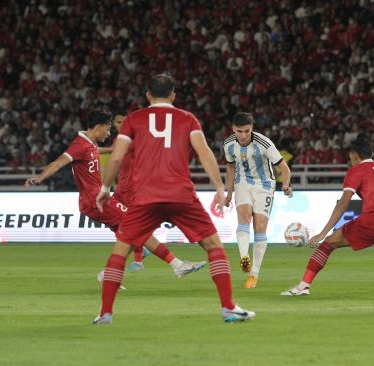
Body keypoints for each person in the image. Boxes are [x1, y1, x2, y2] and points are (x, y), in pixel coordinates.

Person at [94, 74, 255, 324]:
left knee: (121, 250)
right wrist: (219, 188)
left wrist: (105, 187)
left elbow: (116, 157)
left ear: (148, 95)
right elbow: (204, 154)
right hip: (181, 195)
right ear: (173, 95)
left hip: (145, 196)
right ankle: (228, 307)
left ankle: (105, 313)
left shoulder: (134, 119)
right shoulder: (187, 118)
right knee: (214, 246)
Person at [24, 111, 203, 282]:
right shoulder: (79, 145)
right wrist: (40, 178)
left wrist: (108, 149)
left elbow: (92, 152)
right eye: (107, 128)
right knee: (138, 227)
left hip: (97, 201)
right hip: (96, 201)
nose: (110, 132)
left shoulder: (88, 144)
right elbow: (57, 163)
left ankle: (109, 274)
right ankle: (177, 265)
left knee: (131, 237)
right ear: (97, 127)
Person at [281, 137, 374, 296]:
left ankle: (303, 287)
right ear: (372, 153)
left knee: (328, 244)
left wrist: (323, 232)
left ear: (354, 155)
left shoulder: (356, 171)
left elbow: (343, 203)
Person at [223, 112, 292, 289]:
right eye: (239, 131)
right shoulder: (228, 145)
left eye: (247, 131)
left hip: (264, 185)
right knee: (244, 216)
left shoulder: (264, 143)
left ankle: (254, 274)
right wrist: (229, 193)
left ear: (252, 128)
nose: (243, 135)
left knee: (260, 227)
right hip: (243, 183)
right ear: (233, 129)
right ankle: (244, 256)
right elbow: (230, 167)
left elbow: (283, 167)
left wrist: (285, 184)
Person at [100, 110, 150, 271]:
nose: (119, 125)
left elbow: (112, 152)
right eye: (117, 122)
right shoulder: (121, 139)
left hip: (132, 188)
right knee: (118, 222)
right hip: (122, 187)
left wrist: (90, 149)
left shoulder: (130, 138)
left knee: (127, 222)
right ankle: (139, 252)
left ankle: (138, 257)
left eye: (123, 122)